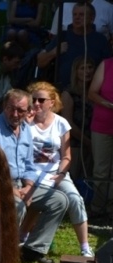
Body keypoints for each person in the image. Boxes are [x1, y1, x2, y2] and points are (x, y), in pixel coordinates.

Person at [0, 89, 69, 263]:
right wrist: (12, 189)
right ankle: (2, 255)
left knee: (59, 200)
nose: (15, 114)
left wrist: (29, 186)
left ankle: (32, 250)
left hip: (21, 184)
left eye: (21, 110)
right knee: (17, 205)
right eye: (11, 108)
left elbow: (29, 164)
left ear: (28, 111)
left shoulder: (25, 128)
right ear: (4, 106)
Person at [28, 81, 93, 256]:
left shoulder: (61, 123)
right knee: (34, 202)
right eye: (33, 99)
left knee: (75, 199)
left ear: (52, 102)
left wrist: (61, 174)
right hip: (31, 174)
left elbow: (66, 156)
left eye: (41, 100)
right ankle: (26, 236)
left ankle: (85, 246)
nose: (36, 104)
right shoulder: (24, 122)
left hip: (57, 172)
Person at [37, 3, 111, 91]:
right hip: (63, 90)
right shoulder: (62, 36)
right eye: (74, 14)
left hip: (91, 92)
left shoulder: (100, 40)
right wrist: (54, 52)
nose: (77, 17)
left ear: (92, 18)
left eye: (81, 15)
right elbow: (40, 62)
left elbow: (108, 69)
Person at [61, 58, 96, 194]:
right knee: (73, 177)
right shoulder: (68, 93)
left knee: (88, 177)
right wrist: (87, 142)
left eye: (90, 67)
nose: (87, 71)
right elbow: (67, 122)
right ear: (76, 71)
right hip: (75, 143)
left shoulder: (94, 93)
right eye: (83, 68)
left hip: (92, 141)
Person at [89, 57, 113, 216]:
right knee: (101, 170)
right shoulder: (106, 64)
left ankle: (111, 209)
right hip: (102, 125)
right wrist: (110, 105)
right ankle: (97, 208)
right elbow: (92, 93)